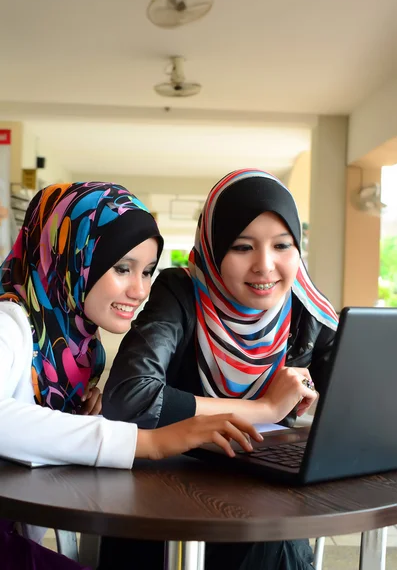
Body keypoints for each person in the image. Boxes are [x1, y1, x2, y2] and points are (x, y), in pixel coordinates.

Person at [0, 181, 264, 570]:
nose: (140, 290)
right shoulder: (10, 324)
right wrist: (150, 442)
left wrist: (72, 415)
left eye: (148, 271)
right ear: (73, 258)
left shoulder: (78, 349)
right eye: (122, 268)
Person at [101, 168, 339, 570]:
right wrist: (264, 409)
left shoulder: (306, 309)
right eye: (243, 247)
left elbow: (353, 410)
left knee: (274, 540)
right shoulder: (180, 292)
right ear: (213, 249)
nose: (266, 266)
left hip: (262, 495)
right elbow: (129, 399)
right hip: (166, 503)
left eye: (283, 245)